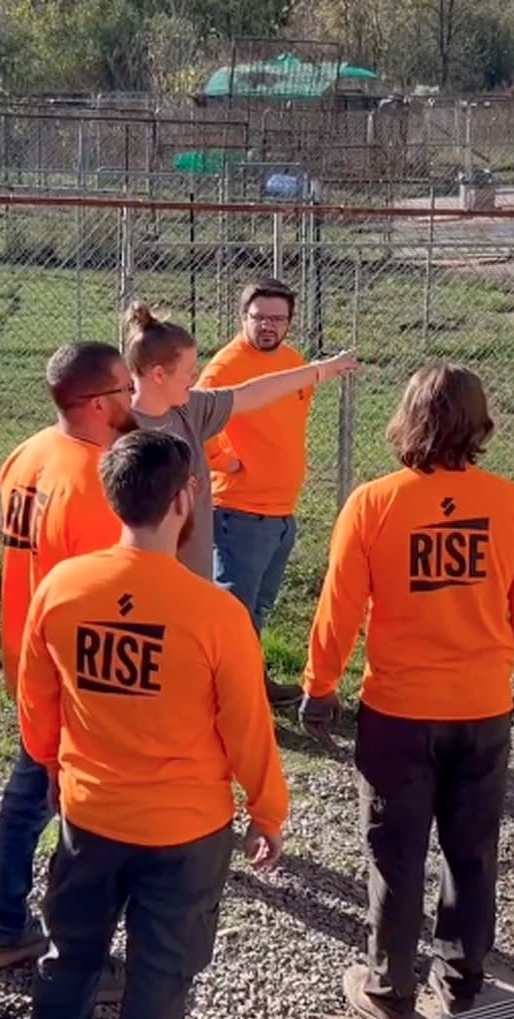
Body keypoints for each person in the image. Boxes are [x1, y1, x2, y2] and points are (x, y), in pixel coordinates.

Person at [299, 364, 514, 1019]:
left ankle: (389, 992)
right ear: (480, 424)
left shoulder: (374, 503)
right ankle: (463, 984)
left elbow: (340, 610)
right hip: (480, 711)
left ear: (407, 419)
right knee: (472, 850)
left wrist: (319, 688)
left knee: (396, 854)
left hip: (399, 712)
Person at [6, 430, 289, 1019]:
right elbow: (248, 727)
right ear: (184, 500)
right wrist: (268, 811)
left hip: (91, 814)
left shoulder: (61, 588)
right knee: (162, 974)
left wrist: (51, 765)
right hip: (185, 830)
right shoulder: (216, 615)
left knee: (71, 951)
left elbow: (36, 696)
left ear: (113, 501)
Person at [0, 342, 133, 983]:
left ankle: (3, 923)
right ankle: (74, 958)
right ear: (96, 404)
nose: (131, 401)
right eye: (123, 391)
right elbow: (103, 599)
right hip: (73, 675)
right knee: (80, 814)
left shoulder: (29, 451)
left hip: (28, 658)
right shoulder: (93, 483)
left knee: (28, 796)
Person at [127, 298, 358, 705]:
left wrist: (319, 371)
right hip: (146, 580)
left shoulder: (189, 410)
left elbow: (252, 393)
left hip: (190, 573)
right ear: (159, 374)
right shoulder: (125, 430)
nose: (196, 378)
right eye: (189, 371)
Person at [195, 277, 345, 704]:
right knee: (234, 612)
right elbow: (196, 424)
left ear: (290, 324)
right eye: (259, 317)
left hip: (281, 511)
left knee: (256, 609)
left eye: (278, 319)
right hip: (238, 511)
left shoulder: (295, 363)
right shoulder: (225, 368)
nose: (268, 327)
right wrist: (225, 462)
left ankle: (249, 682)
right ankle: (227, 695)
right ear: (243, 317)